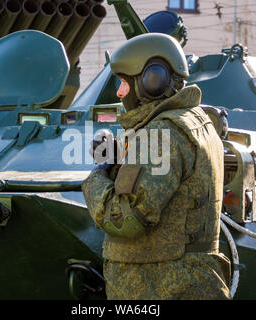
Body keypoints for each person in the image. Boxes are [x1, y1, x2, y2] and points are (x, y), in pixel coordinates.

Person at [82, 33, 231, 300]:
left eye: (124, 83)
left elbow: (124, 220)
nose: (119, 92)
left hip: (159, 285)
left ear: (151, 81)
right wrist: (121, 161)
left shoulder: (161, 135)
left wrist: (99, 172)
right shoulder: (196, 121)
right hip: (189, 281)